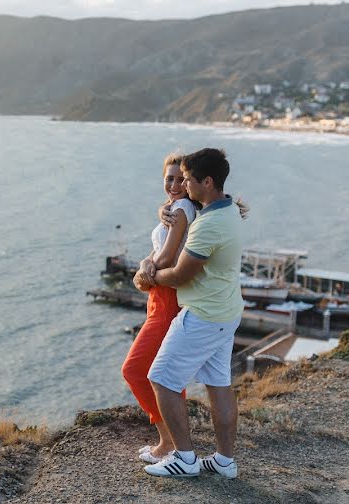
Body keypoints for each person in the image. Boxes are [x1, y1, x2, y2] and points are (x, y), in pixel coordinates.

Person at [141, 148, 247, 479]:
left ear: (208, 181)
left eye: (188, 179)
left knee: (161, 377)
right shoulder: (227, 210)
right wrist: (167, 211)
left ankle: (183, 458)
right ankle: (224, 461)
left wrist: (149, 275)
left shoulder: (209, 225)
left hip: (203, 314)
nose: (183, 185)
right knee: (218, 384)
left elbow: (181, 274)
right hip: (227, 311)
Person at [122, 153, 199, 464]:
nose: (174, 184)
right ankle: (174, 442)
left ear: (191, 181)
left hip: (167, 300)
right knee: (168, 376)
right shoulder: (174, 208)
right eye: (169, 178)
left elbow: (166, 259)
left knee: (134, 370)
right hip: (163, 299)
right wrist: (145, 262)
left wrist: (145, 270)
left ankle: (169, 441)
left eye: (180, 178)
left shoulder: (181, 207)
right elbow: (159, 251)